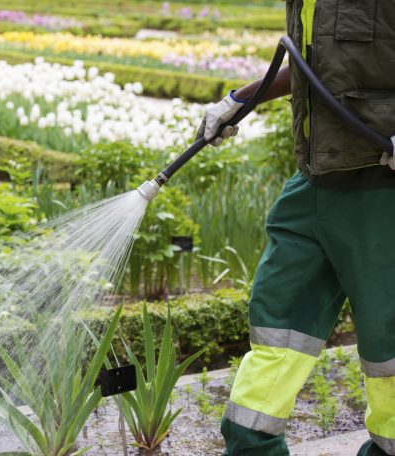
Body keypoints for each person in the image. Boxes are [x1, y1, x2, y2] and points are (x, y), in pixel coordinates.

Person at [196, 1, 395, 455]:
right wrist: (238, 100)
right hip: (314, 184)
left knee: (390, 347)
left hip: (382, 189)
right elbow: (317, 69)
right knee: (277, 324)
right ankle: (251, 447)